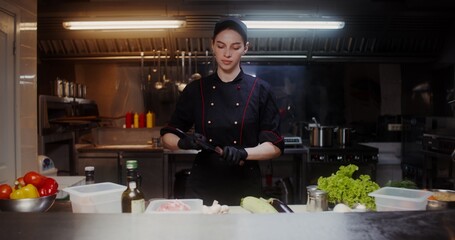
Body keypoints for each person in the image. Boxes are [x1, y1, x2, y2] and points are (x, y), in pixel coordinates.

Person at [160, 17, 284, 205]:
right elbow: (167, 137)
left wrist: (244, 153)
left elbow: (274, 147)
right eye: (221, 45)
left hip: (245, 186)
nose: (227, 53)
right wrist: (184, 142)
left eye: (235, 47)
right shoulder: (196, 89)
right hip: (203, 185)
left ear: (246, 48)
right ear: (212, 46)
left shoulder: (260, 90)